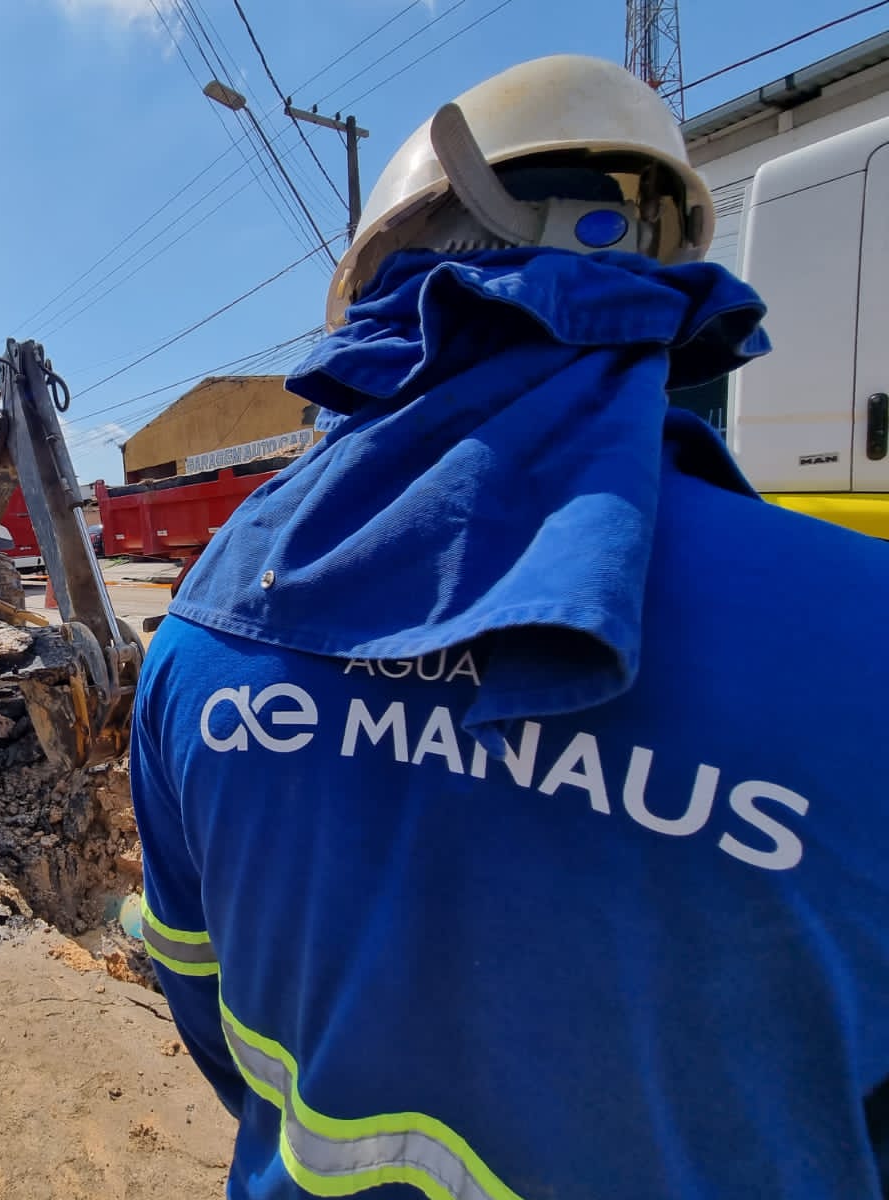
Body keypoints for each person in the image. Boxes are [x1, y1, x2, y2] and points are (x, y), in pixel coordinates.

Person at [132, 55, 889, 1199]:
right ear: (662, 270)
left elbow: (203, 996)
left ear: (383, 283)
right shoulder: (860, 635)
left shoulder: (204, 630)